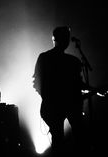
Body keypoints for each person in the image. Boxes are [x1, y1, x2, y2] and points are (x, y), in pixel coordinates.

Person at [33, 26, 90, 156]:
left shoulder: (47, 58)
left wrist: (48, 98)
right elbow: (37, 83)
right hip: (61, 106)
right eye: (65, 37)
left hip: (54, 107)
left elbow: (37, 83)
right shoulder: (71, 61)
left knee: (60, 140)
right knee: (75, 138)